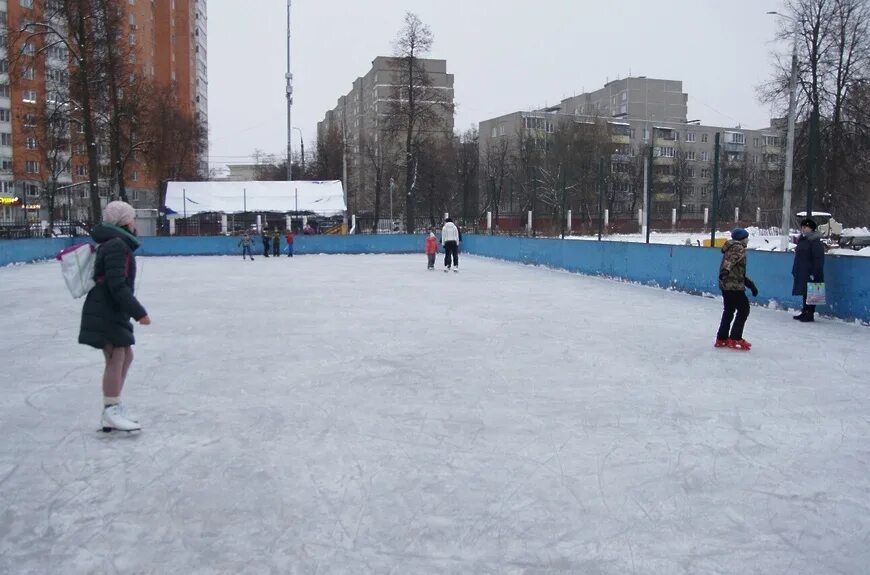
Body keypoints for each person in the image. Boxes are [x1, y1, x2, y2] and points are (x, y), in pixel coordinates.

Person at [78, 201, 150, 432]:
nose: (135, 223)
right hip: (105, 309)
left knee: (125, 355)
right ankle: (110, 409)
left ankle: (114, 405)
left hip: (109, 308)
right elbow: (117, 285)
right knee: (115, 356)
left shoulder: (116, 244)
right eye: (133, 219)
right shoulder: (117, 245)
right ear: (126, 222)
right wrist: (139, 313)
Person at [715, 228, 758, 350]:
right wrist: (725, 270)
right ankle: (735, 337)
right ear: (742, 239)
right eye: (747, 238)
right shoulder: (738, 247)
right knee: (744, 310)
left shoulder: (731, 246)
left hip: (727, 285)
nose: (748, 240)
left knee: (728, 311)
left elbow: (738, 272)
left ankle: (722, 338)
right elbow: (730, 261)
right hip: (734, 286)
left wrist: (750, 285)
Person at [792, 218, 825, 322]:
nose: (803, 229)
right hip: (803, 270)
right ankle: (805, 311)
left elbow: (818, 258)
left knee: (813, 291)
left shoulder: (815, 241)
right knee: (805, 291)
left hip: (812, 271)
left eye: (805, 227)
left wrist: (814, 272)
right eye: (802, 227)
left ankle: (810, 313)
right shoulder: (803, 240)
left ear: (811, 228)